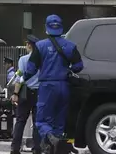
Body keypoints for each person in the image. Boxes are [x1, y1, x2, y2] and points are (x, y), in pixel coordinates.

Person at [24, 15, 84, 152]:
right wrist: (68, 70)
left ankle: (50, 138)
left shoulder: (40, 46)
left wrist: (23, 78)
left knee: (41, 121)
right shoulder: (70, 45)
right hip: (65, 86)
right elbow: (79, 66)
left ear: (46, 28)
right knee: (59, 122)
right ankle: (56, 147)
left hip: (47, 87)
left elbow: (31, 69)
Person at [10, 35, 41, 154]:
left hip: (25, 93)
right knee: (37, 123)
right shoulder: (42, 60)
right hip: (39, 93)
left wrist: (15, 93)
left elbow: (19, 78)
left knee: (20, 121)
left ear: (29, 45)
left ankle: (15, 148)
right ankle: (37, 148)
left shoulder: (23, 60)